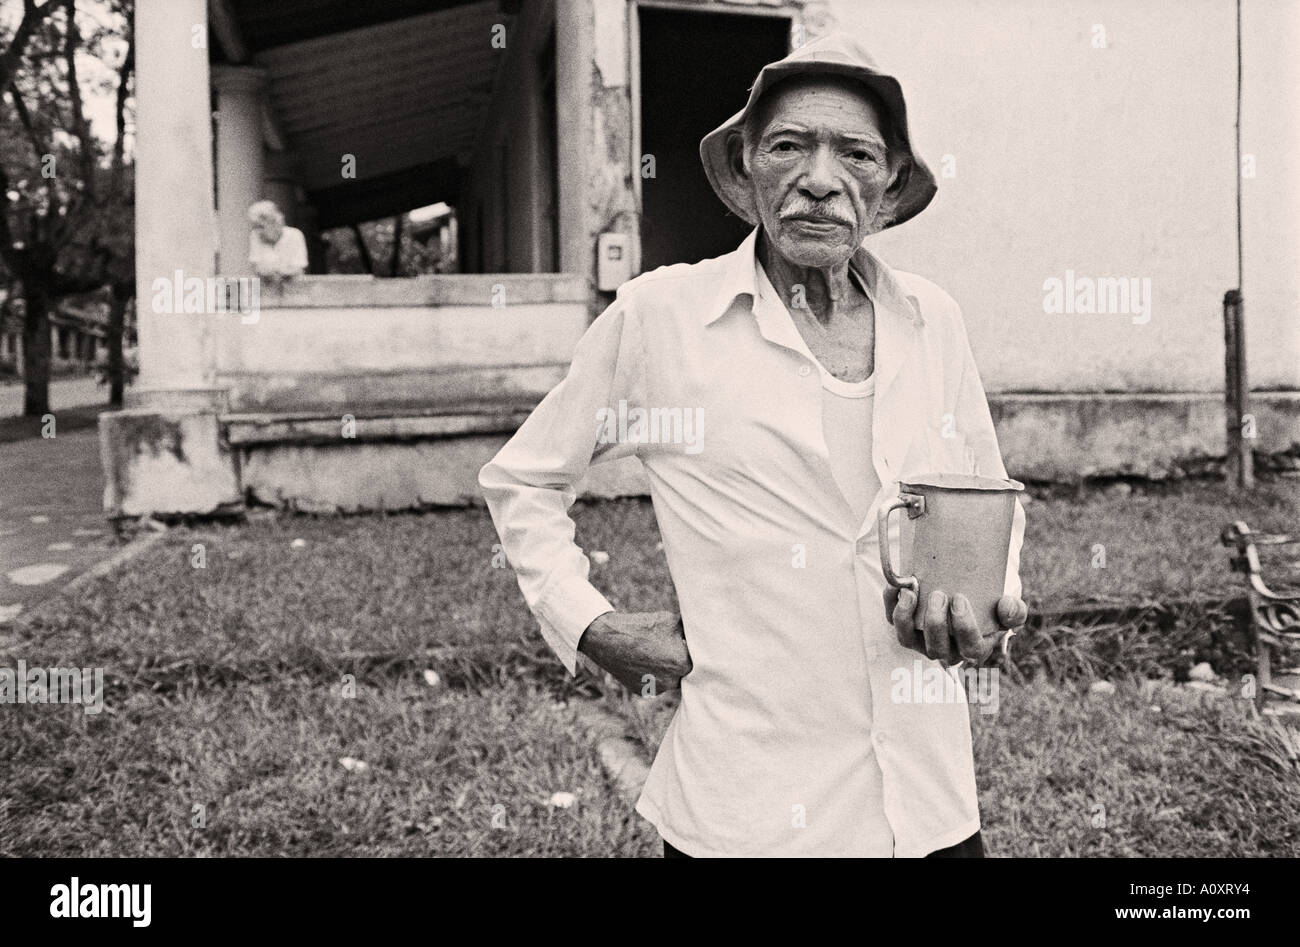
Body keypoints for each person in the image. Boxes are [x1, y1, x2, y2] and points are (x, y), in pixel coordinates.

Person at [479, 32, 1028, 858]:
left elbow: (988, 496)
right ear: (745, 170)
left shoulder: (931, 321)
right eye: (788, 146)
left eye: (856, 154)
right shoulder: (663, 317)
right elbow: (522, 479)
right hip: (745, 812)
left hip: (925, 801)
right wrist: (591, 624)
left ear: (887, 189)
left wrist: (988, 613)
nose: (819, 179)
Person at [247, 199, 308, 280]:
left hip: (292, 288)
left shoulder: (295, 235)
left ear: (274, 222)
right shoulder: (255, 235)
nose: (258, 230)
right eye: (256, 226)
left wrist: (275, 271)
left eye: (261, 226)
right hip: (267, 288)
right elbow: (257, 267)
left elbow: (299, 268)